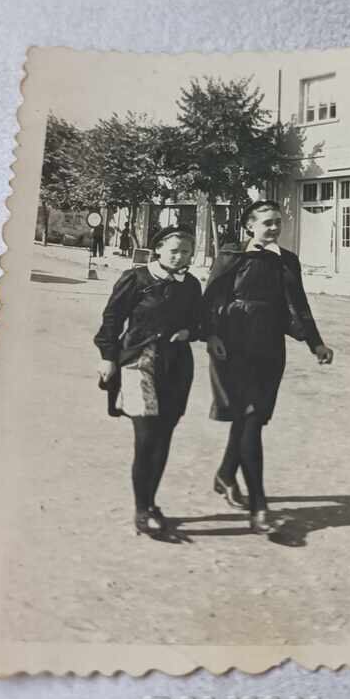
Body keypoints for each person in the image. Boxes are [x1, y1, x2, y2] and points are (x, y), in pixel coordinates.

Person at [202, 199, 333, 534]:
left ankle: (226, 475)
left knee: (254, 418)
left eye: (277, 222)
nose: (274, 228)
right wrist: (211, 335)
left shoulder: (286, 261)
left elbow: (299, 304)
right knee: (248, 419)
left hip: (270, 348)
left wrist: (315, 342)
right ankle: (259, 507)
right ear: (250, 226)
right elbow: (210, 300)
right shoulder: (233, 256)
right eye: (267, 223)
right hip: (233, 347)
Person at [95, 227, 202, 537]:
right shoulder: (136, 279)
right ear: (158, 250)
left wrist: (188, 332)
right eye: (174, 251)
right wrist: (107, 357)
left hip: (176, 367)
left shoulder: (191, 285)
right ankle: (142, 509)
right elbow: (111, 320)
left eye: (185, 252)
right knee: (146, 436)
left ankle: (151, 503)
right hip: (138, 363)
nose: (180, 257)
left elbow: (200, 321)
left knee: (164, 435)